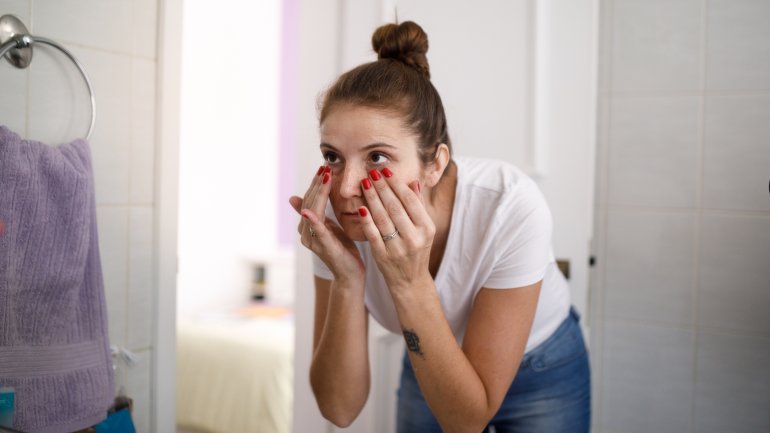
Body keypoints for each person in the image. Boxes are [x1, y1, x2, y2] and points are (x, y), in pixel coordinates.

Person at [289, 20, 590, 433]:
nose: (344, 189)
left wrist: (408, 281)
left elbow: (468, 421)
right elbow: (339, 409)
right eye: (333, 156)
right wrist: (345, 277)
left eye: (377, 157)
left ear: (435, 164)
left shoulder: (508, 207)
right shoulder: (336, 228)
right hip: (429, 351)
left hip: (539, 367)